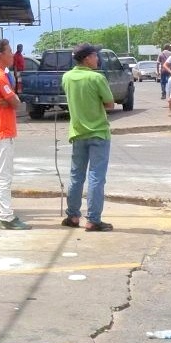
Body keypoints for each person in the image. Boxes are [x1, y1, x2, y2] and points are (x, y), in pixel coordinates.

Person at [61, 43, 116, 232]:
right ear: (86, 58)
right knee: (96, 176)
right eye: (95, 55)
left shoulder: (67, 77)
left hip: (77, 133)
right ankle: (93, 219)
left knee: (76, 176)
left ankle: (73, 215)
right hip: (99, 132)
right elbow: (110, 104)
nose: (97, 59)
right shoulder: (96, 78)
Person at [0, 40, 30, 230]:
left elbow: (11, 101)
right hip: (2, 130)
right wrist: (11, 100)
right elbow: (15, 101)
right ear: (1, 55)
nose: (13, 55)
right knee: (4, 176)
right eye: (10, 52)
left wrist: (10, 100)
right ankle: (6, 216)